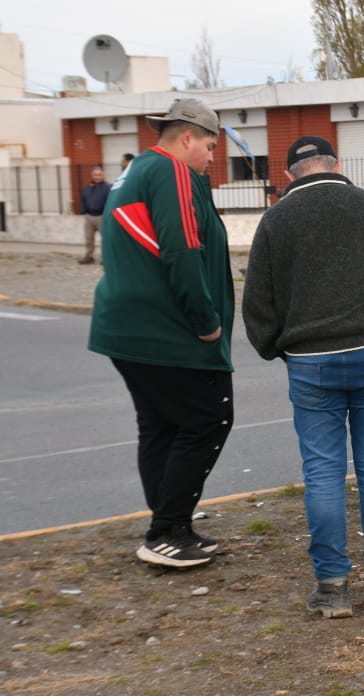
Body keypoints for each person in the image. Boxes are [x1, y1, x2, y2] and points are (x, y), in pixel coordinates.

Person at [242, 136, 364, 617]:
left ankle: (332, 589)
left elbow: (258, 297)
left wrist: (275, 346)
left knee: (322, 473)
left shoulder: (276, 220)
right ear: (336, 165)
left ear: (289, 175)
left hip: (310, 359)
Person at [88, 98, 235, 569]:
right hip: (165, 331)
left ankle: (173, 527)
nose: (212, 158)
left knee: (161, 427)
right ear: (187, 137)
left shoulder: (133, 173)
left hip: (127, 329)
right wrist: (206, 322)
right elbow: (182, 252)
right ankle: (164, 531)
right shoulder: (171, 172)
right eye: (210, 146)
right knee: (210, 418)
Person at [78, 167, 111, 264]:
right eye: (95, 175)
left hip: (101, 217)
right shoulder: (88, 187)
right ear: (92, 176)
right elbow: (83, 199)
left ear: (103, 176)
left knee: (105, 239)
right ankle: (89, 256)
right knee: (88, 239)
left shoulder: (108, 187)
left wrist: (107, 214)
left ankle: (106, 258)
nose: (97, 177)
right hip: (89, 217)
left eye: (99, 175)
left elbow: (110, 202)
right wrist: (83, 211)